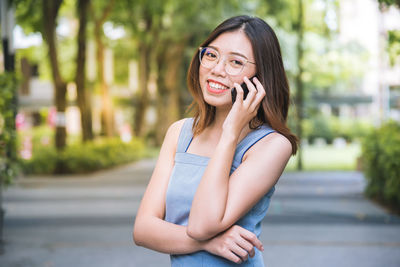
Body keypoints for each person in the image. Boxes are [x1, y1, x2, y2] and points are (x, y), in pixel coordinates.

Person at [133, 15, 298, 266]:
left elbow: (202, 225)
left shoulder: (272, 145)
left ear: (261, 77)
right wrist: (211, 242)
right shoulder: (179, 133)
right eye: (211, 55)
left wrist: (230, 132)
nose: (217, 69)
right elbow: (143, 229)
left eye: (235, 62)